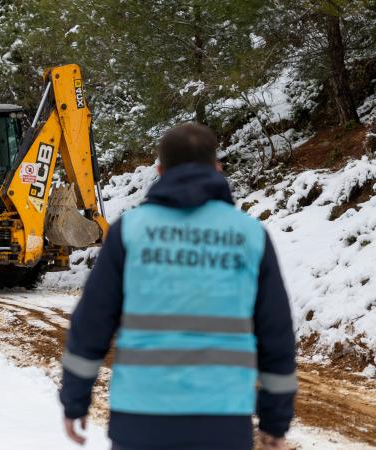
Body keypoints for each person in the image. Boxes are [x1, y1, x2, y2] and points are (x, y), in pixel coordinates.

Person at [59, 123, 296, 450]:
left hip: (140, 419)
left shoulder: (130, 231)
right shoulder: (249, 235)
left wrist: (75, 400)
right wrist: (275, 421)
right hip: (223, 420)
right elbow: (277, 334)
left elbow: (91, 324)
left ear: (160, 170)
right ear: (217, 168)